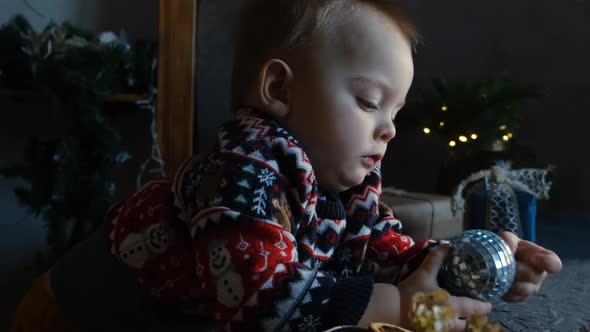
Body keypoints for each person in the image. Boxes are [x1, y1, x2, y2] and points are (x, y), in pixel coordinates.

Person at [12, 0, 562, 331]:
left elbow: (385, 250)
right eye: (370, 102)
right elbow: (262, 306)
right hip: (80, 310)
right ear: (279, 89)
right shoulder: (241, 171)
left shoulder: (348, 187)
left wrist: (471, 267)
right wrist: (398, 306)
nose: (388, 128)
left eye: (396, 111)